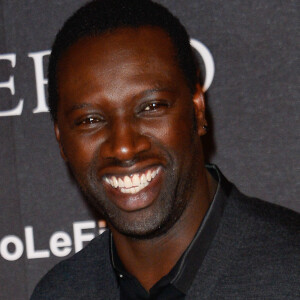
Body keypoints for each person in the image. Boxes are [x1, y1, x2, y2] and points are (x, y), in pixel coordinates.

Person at [31, 0, 299, 299]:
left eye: (151, 107)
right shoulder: (59, 293)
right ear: (61, 140)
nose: (123, 147)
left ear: (197, 109)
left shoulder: (291, 270)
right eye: (90, 120)